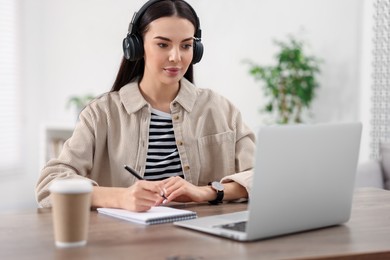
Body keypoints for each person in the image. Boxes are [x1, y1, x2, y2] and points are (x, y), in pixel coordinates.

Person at [35, 0, 255, 212]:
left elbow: (261, 177)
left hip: (202, 240)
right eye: (162, 44)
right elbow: (49, 186)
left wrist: (206, 192)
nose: (176, 57)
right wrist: (120, 197)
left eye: (186, 45)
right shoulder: (101, 114)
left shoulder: (221, 110)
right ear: (137, 47)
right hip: (124, 243)